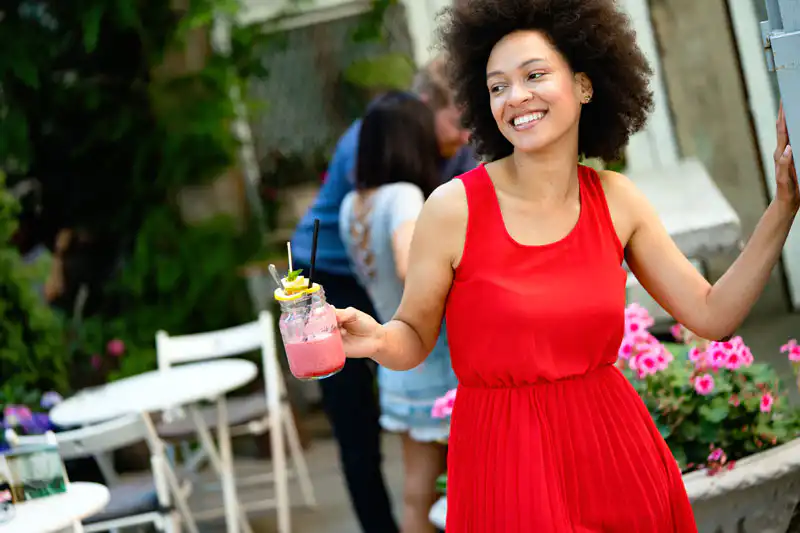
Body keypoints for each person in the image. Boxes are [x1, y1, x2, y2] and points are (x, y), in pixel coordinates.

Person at [333, 0, 799, 531]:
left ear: (584, 84)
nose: (517, 97)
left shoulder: (618, 200)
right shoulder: (452, 208)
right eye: (498, 86)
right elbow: (414, 332)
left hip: (615, 454)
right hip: (503, 464)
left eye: (535, 75)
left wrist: (782, 207)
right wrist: (374, 339)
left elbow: (712, 315)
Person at [289, 55, 475, 532]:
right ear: (423, 111)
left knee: (417, 477)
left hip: (379, 292)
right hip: (328, 272)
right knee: (356, 426)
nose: (467, 136)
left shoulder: (373, 195)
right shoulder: (384, 165)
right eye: (458, 121)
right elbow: (407, 259)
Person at [339, 91, 458, 533]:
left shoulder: (354, 203)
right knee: (460, 488)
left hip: (394, 364)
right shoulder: (405, 195)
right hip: (433, 360)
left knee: (416, 493)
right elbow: (411, 266)